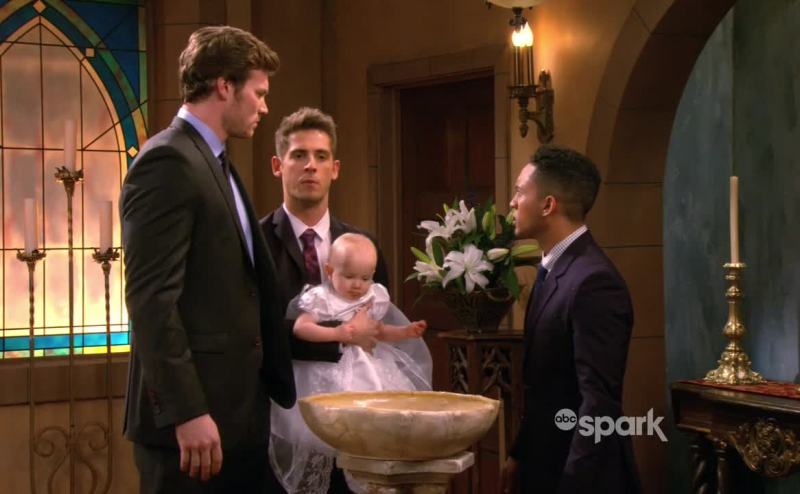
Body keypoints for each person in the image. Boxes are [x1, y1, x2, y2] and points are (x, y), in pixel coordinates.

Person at [121, 25, 295, 493]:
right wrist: (188, 411)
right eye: (258, 93)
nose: (264, 106)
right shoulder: (168, 161)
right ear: (224, 85)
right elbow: (151, 300)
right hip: (193, 429)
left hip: (236, 418)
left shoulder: (214, 160)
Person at [500, 145, 641, 494]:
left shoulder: (594, 282)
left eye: (520, 192)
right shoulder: (553, 269)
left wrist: (573, 484)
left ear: (548, 205)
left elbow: (598, 403)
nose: (512, 202)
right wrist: (520, 453)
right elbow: (544, 388)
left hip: (580, 474)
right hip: (544, 462)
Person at [270, 233, 432, 494]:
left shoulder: (371, 297)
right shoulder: (321, 297)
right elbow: (301, 328)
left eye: (365, 278)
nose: (357, 285)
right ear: (329, 271)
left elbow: (379, 331)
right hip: (328, 372)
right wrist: (337, 333)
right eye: (349, 277)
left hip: (367, 368)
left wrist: (405, 332)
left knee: (376, 423)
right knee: (333, 431)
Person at [260, 107, 389, 362]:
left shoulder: (365, 245)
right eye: (299, 155)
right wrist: (342, 337)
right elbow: (253, 331)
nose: (311, 166)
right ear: (277, 166)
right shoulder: (255, 241)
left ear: (335, 169)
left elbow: (377, 326)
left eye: (321, 156)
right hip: (281, 382)